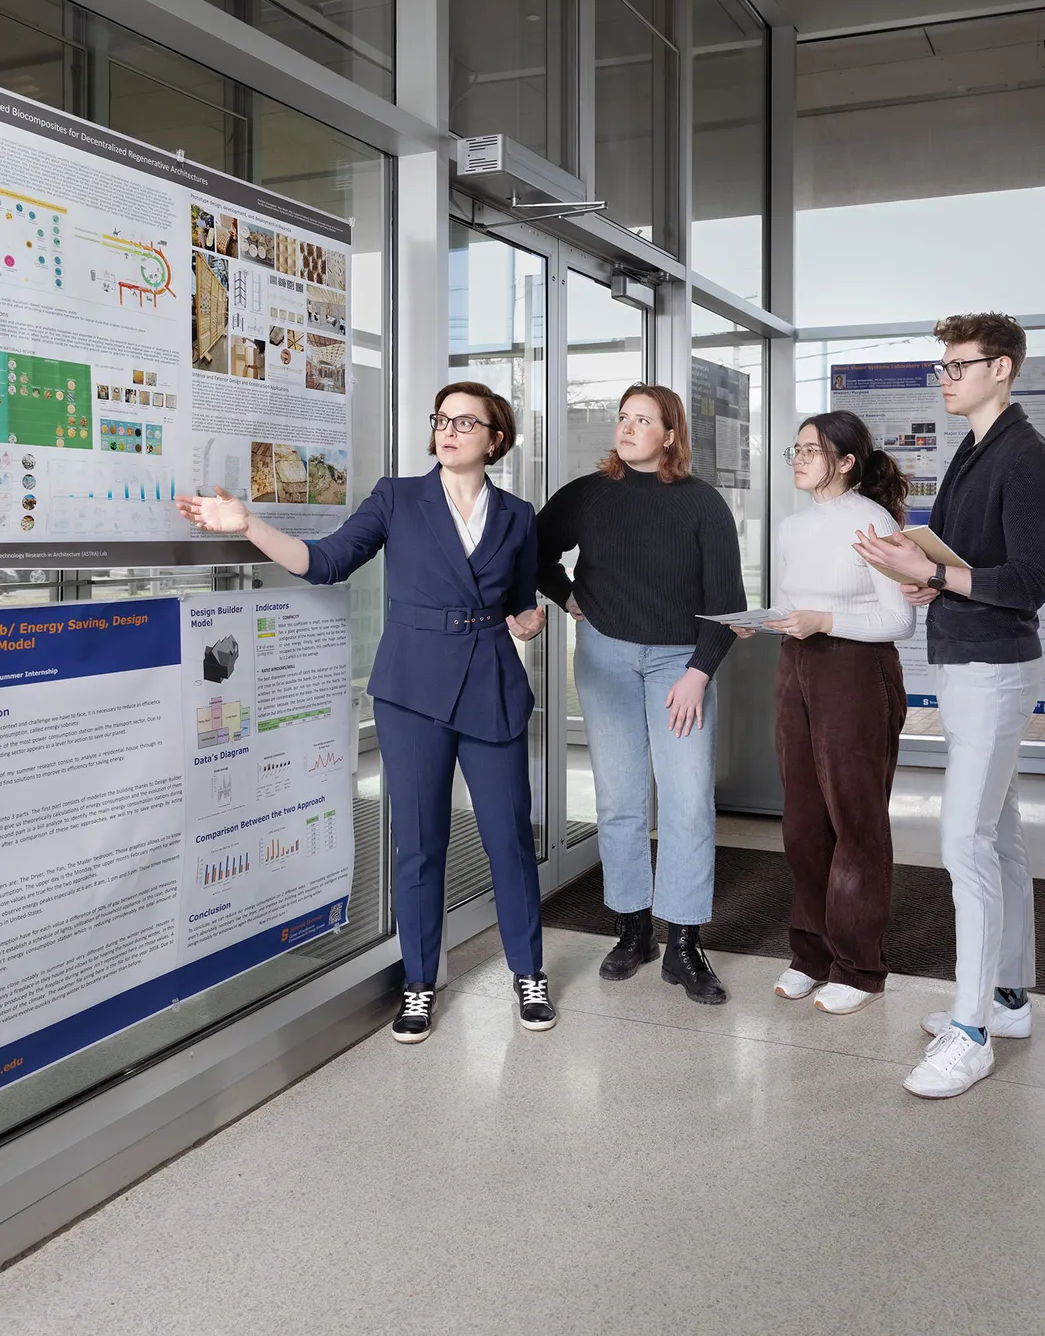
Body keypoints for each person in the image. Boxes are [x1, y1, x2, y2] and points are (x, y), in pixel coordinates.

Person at [175, 381, 556, 1046]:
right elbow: (324, 563)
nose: (450, 430)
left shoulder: (519, 514)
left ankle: (529, 973)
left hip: (491, 682)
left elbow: (521, 600)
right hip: (412, 689)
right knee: (419, 844)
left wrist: (529, 620)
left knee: (509, 839)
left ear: (497, 438)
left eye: (468, 421)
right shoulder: (397, 497)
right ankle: (418, 984)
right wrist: (248, 524)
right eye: (441, 418)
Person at [856, 314, 1045, 1099]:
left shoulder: (1029, 459)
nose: (943, 376)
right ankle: (1008, 997)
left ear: (1002, 368)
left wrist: (937, 575)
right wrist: (924, 573)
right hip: (968, 661)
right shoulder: (975, 450)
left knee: (965, 844)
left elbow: (1027, 583)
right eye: (941, 365)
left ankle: (972, 1031)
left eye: (958, 365)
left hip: (994, 668)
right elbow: (963, 559)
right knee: (1001, 836)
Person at [536, 383, 744, 1005]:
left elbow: (727, 605)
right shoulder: (589, 494)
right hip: (606, 658)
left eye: (642, 420)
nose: (627, 428)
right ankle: (633, 930)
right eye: (622, 418)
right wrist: (566, 595)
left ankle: (684, 943)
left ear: (671, 434)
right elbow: (531, 551)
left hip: (682, 664)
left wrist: (699, 673)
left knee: (685, 801)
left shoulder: (703, 505)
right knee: (620, 799)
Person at [743, 413, 912, 1013]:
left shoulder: (873, 520)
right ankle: (810, 954)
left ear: (845, 462)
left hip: (857, 672)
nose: (799, 457)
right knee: (803, 823)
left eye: (812, 450)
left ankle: (860, 966)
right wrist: (764, 621)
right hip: (797, 664)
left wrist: (824, 622)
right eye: (797, 447)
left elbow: (899, 620)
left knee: (855, 819)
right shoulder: (792, 527)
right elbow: (795, 604)